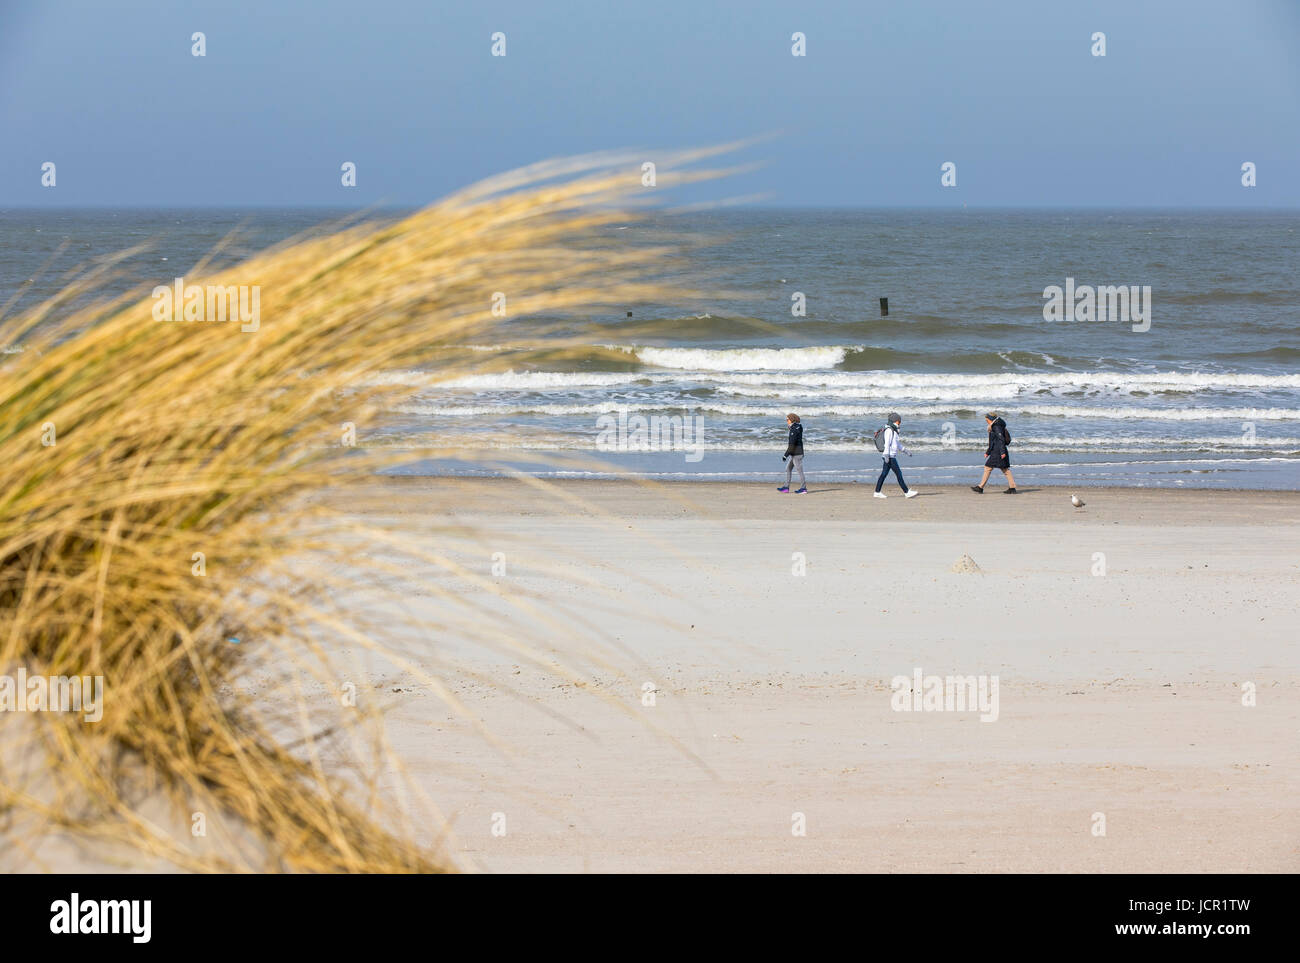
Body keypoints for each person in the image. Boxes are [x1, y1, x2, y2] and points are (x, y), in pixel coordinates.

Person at [874, 412, 917, 498]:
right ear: (895, 421)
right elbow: (887, 444)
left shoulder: (894, 430)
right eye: (898, 421)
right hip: (889, 456)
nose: (899, 423)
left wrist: (905, 451)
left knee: (884, 474)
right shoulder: (889, 430)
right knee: (899, 474)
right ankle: (907, 492)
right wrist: (886, 455)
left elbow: (897, 444)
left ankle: (877, 492)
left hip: (890, 456)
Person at [971, 412, 1017, 493]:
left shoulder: (996, 426)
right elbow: (993, 441)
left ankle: (980, 487)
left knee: (988, 467)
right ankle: (1012, 488)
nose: (986, 422)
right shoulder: (994, 425)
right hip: (997, 450)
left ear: (991, 419)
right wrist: (988, 452)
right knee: (1005, 469)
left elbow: (1001, 439)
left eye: (987, 420)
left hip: (998, 451)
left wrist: (1002, 452)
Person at [778, 413, 807, 493]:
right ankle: (786, 487)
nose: (786, 421)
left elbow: (792, 445)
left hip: (797, 454)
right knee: (788, 469)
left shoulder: (794, 429)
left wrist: (785, 455)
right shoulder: (797, 427)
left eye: (787, 419)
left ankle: (803, 488)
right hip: (796, 453)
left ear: (791, 419)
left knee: (799, 471)